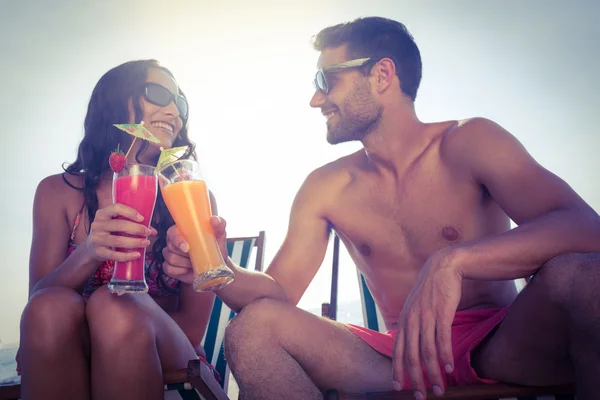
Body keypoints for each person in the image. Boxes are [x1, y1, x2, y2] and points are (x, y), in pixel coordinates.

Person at [162, 17, 600, 400]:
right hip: (398, 360)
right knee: (253, 330)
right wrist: (219, 267)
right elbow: (279, 294)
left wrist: (455, 261)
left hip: (504, 343)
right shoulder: (325, 186)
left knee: (582, 274)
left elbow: (586, 227)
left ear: (382, 75)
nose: (316, 100)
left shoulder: (470, 142)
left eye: (325, 81)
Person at [19, 59, 217, 400]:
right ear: (117, 101)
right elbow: (38, 301)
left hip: (172, 350)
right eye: (158, 94)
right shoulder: (57, 193)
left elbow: (194, 329)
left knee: (114, 305)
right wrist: (89, 252)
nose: (174, 111)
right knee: (48, 307)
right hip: (74, 351)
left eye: (180, 103)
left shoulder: (189, 196)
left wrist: (119, 330)